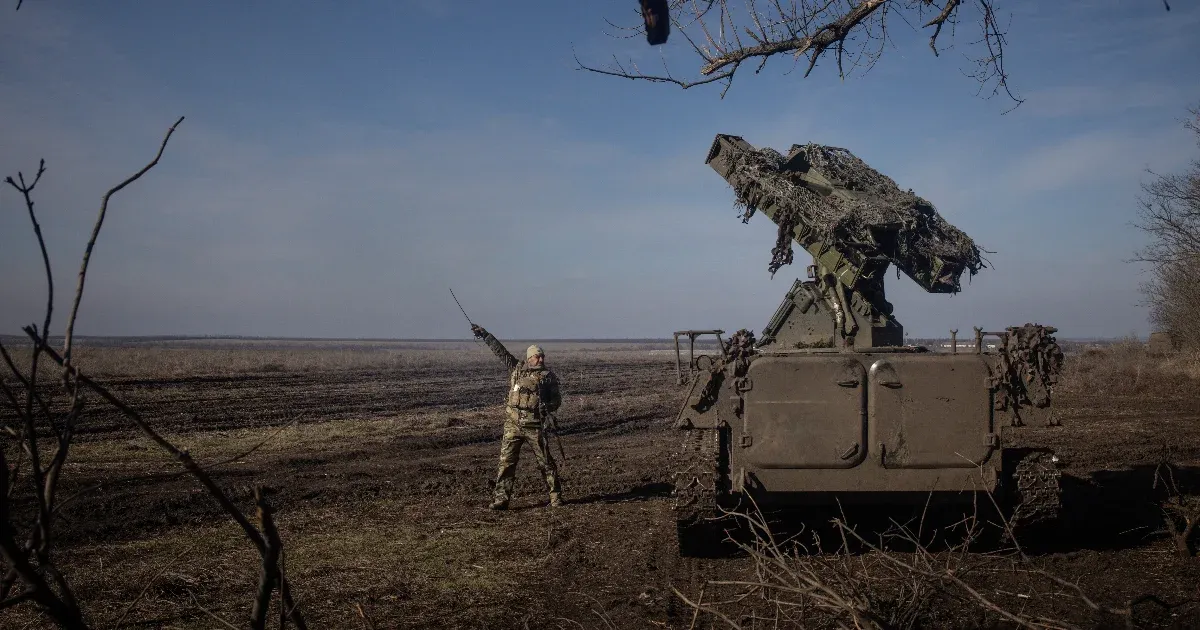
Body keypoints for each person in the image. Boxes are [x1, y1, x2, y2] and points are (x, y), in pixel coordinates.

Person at [471, 323, 563, 510]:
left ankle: (556, 498)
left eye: (542, 356)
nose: (541, 359)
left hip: (534, 426)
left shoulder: (548, 377)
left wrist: (547, 407)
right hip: (512, 425)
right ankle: (501, 500)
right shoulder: (517, 369)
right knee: (506, 464)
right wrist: (486, 335)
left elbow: (557, 401)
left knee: (545, 462)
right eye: (538, 356)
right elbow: (501, 352)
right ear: (530, 358)